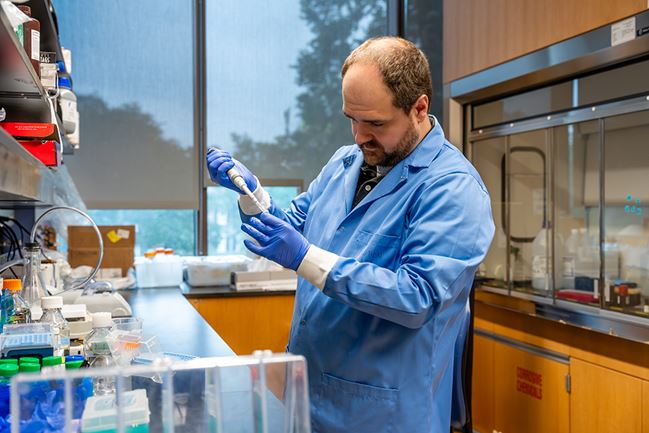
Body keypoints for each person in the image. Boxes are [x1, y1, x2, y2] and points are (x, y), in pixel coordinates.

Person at [207, 36, 495, 433]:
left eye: (375, 123)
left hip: (379, 412)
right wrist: (250, 193)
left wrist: (304, 257)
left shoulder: (452, 187)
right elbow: (292, 229)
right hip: (309, 395)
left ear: (419, 108)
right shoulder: (345, 163)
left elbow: (418, 297)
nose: (359, 137)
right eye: (352, 119)